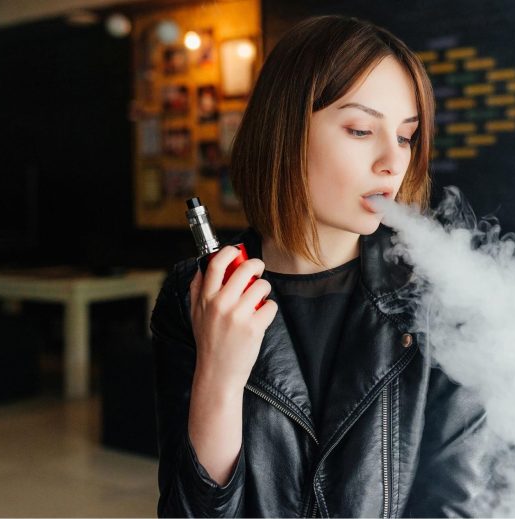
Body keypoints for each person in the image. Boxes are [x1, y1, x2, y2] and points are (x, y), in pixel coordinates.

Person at [150, 15, 489, 518]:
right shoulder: (197, 296)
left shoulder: (441, 301)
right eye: (360, 129)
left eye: (405, 137)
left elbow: (458, 506)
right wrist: (219, 377)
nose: (392, 163)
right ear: (284, 133)